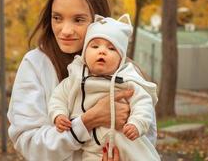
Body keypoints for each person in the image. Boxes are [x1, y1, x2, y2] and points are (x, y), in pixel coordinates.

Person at [7, 0, 156, 161]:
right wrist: (87, 122)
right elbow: (27, 143)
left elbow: (147, 136)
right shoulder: (36, 64)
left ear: (99, 21)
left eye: (78, 20)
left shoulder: (124, 70)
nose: (65, 31)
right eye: (57, 18)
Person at [49, 14, 160, 161]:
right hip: (92, 147)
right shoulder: (75, 78)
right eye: (95, 46)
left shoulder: (127, 79)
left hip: (127, 143)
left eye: (111, 48)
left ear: (121, 58)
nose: (102, 51)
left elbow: (143, 102)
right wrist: (58, 114)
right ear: (84, 53)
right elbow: (58, 97)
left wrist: (137, 123)